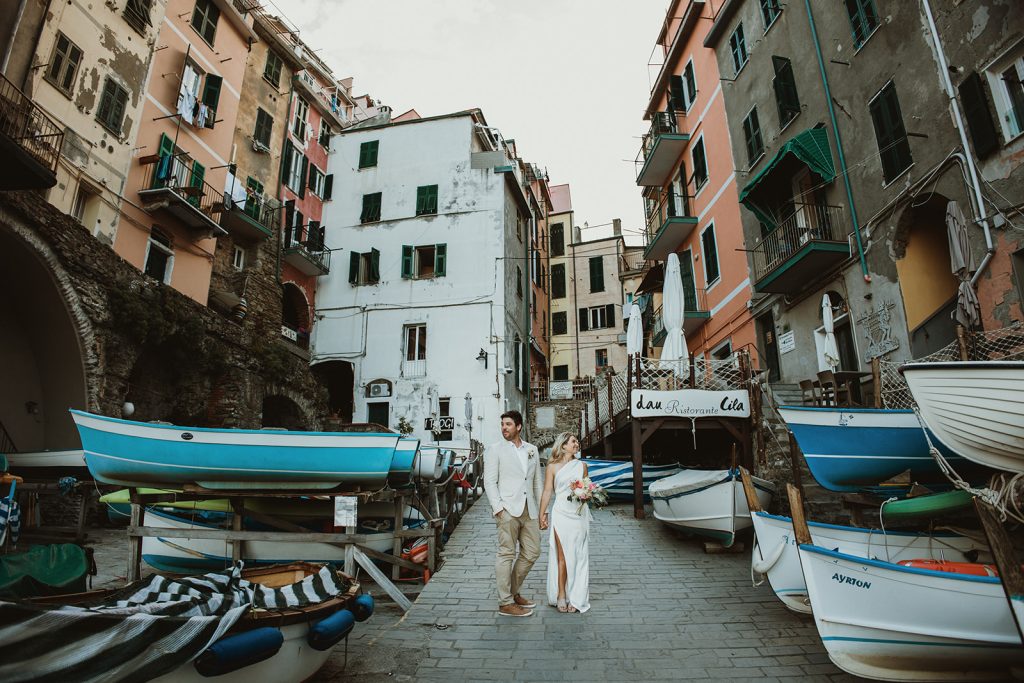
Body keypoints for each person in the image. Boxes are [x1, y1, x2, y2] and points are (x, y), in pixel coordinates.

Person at [483, 410, 543, 617]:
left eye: (508, 424)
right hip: (507, 509)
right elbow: (489, 481)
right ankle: (505, 602)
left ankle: (513, 591)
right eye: (502, 424)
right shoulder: (495, 450)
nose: (504, 428)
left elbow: (537, 483)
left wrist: (542, 511)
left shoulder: (532, 450)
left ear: (518, 427)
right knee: (506, 554)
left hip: (530, 509)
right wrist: (498, 508)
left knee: (532, 552)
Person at [539, 432, 591, 613]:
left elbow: (587, 487)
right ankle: (561, 594)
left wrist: (586, 494)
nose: (577, 444)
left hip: (578, 514)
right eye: (573, 441)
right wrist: (542, 514)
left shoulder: (582, 466)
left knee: (578, 555)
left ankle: (576, 598)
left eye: (577, 441)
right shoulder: (552, 466)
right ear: (563, 446)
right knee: (562, 557)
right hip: (561, 513)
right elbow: (547, 492)